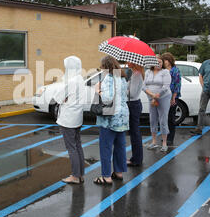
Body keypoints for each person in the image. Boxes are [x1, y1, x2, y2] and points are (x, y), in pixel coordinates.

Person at [94, 55, 129, 185]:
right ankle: (118, 172)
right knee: (120, 145)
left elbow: (107, 99)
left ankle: (106, 176)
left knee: (106, 147)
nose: (101, 69)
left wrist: (98, 90)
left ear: (106, 67)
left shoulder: (108, 79)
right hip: (123, 116)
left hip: (110, 118)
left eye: (101, 67)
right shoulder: (122, 78)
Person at [54, 56, 86, 184]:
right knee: (78, 146)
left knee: (71, 148)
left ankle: (75, 176)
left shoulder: (71, 81)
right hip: (77, 118)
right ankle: (80, 174)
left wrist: (64, 99)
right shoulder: (80, 79)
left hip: (68, 119)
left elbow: (57, 97)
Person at [142, 54, 172, 151]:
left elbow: (166, 86)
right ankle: (154, 142)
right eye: (157, 62)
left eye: (160, 62)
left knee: (163, 120)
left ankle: (164, 143)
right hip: (151, 98)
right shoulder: (148, 72)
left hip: (163, 97)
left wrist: (157, 95)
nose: (158, 63)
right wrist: (152, 95)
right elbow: (143, 86)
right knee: (152, 119)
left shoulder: (165, 72)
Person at [126, 61, 144, 166]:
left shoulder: (137, 75)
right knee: (134, 133)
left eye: (129, 61)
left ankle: (137, 160)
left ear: (134, 62)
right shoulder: (135, 73)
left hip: (133, 105)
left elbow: (132, 94)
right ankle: (135, 158)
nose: (127, 62)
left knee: (135, 134)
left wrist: (122, 88)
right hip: (133, 104)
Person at [162, 52, 181, 146]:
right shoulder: (162, 70)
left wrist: (173, 97)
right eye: (164, 60)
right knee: (164, 118)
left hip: (172, 97)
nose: (165, 62)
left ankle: (170, 138)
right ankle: (165, 136)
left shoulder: (175, 70)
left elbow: (177, 85)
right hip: (163, 97)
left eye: (166, 60)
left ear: (170, 61)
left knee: (171, 118)